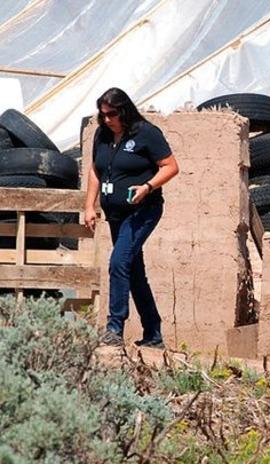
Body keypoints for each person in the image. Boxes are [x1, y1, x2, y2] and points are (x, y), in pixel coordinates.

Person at [84, 87, 179, 348]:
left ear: (124, 110)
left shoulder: (146, 134)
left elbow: (171, 166)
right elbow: (96, 170)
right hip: (116, 214)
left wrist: (148, 186)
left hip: (142, 211)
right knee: (133, 271)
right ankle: (153, 334)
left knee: (118, 262)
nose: (106, 119)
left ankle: (114, 327)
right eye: (102, 114)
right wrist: (89, 206)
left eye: (111, 114)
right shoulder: (101, 135)